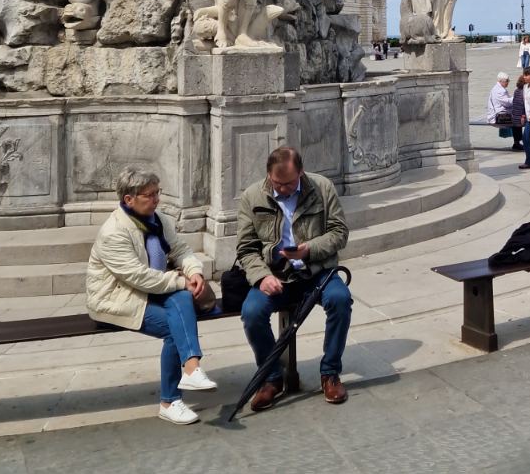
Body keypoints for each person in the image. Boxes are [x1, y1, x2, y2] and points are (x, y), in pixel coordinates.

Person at [86, 167, 213, 426]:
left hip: (152, 291)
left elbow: (180, 249)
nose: (156, 199)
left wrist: (194, 271)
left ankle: (191, 368)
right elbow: (138, 277)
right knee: (174, 328)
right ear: (129, 199)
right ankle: (169, 402)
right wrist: (182, 281)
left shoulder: (158, 220)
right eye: (150, 195)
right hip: (117, 300)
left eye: (157, 192)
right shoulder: (114, 232)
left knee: (183, 299)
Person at [236, 146, 352, 409]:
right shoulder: (252, 196)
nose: (282, 189)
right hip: (275, 274)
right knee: (252, 312)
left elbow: (339, 233)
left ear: (300, 172)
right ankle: (271, 378)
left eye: (288, 183)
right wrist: (262, 277)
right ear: (268, 174)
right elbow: (246, 249)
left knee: (340, 300)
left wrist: (309, 249)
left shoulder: (322, 188)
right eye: (276, 183)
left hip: (316, 272)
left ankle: (330, 373)